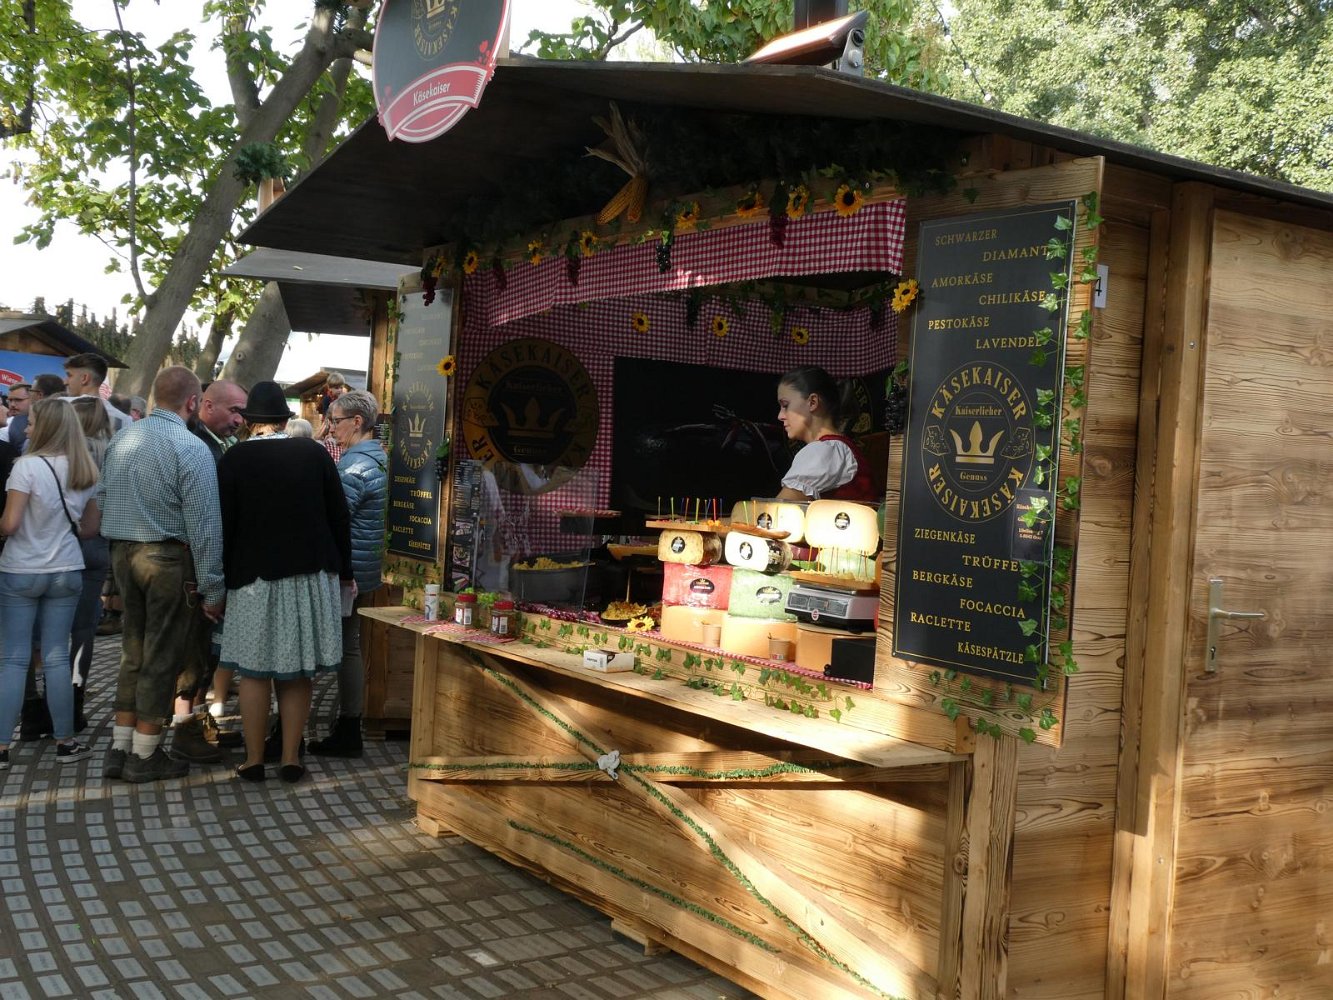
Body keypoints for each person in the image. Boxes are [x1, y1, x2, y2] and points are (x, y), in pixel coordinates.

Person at [217, 381, 351, 783]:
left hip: (252, 579)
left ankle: (254, 759)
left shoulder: (234, 458)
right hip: (309, 576)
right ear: (283, 419)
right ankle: (291, 757)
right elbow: (338, 516)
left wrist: (218, 581)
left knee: (255, 672)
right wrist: (346, 572)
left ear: (249, 421)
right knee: (297, 671)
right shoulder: (313, 453)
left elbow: (224, 525)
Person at [99, 366, 225, 783]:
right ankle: (145, 753)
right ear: (193, 402)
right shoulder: (190, 447)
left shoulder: (123, 438)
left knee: (132, 651)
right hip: (166, 559)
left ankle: (120, 748)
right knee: (161, 655)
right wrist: (213, 588)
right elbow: (205, 526)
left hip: (122, 553)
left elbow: (102, 497)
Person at [0, 398, 101, 770]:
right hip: (66, 569)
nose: (26, 428)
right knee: (58, 657)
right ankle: (65, 742)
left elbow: (10, 524)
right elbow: (90, 529)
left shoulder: (25, 467)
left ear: (44, 427)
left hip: (21, 569)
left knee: (14, 659)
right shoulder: (85, 469)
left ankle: (1, 746)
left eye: (31, 423)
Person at [310, 391, 386, 759]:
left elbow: (333, 519)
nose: (329, 429)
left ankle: (346, 726)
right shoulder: (380, 458)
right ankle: (349, 724)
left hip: (347, 574)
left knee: (339, 646)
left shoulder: (354, 466)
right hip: (364, 568)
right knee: (349, 645)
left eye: (335, 421)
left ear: (357, 422)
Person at [67, 396, 114, 732]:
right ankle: (74, 702)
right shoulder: (112, 452)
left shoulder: (66, 454)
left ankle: (44, 705)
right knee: (83, 631)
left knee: (50, 633)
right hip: (97, 546)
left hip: (65, 546)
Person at [774, 366, 876, 501]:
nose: (780, 416)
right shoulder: (840, 449)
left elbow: (779, 509)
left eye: (786, 405)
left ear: (812, 402)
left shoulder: (823, 451)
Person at [63, 353, 133, 434]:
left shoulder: (61, 406)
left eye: (70, 376)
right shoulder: (125, 421)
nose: (65, 382)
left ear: (84, 378)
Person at [10, 374, 66, 453]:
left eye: (31, 391)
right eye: (10, 400)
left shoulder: (19, 422)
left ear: (39, 395)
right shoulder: (70, 416)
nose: (26, 430)